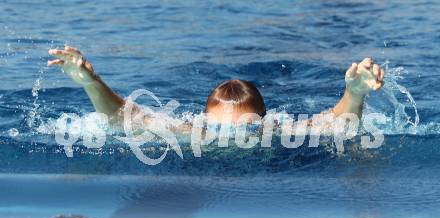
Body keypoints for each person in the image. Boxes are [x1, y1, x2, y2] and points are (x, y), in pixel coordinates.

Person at [48, 46, 384, 129]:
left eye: (247, 130)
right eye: (220, 130)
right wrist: (92, 83)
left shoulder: (281, 131)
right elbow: (126, 116)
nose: (234, 141)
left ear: (266, 122)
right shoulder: (192, 131)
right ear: (203, 122)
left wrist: (355, 93)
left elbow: (335, 122)